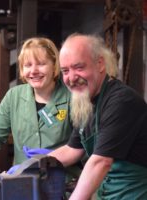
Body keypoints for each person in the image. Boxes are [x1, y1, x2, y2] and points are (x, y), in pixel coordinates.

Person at [48, 33, 147, 199]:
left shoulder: (121, 101)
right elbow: (72, 150)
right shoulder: (85, 103)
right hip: (108, 194)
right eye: (65, 71)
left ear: (100, 64)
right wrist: (33, 165)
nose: (71, 78)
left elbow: (101, 162)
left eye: (79, 67)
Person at [0, 37, 74, 174]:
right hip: (23, 182)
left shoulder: (72, 98)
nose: (33, 71)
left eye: (41, 64)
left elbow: (86, 147)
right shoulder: (14, 96)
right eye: (28, 65)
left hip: (64, 184)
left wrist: (58, 156)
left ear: (54, 65)